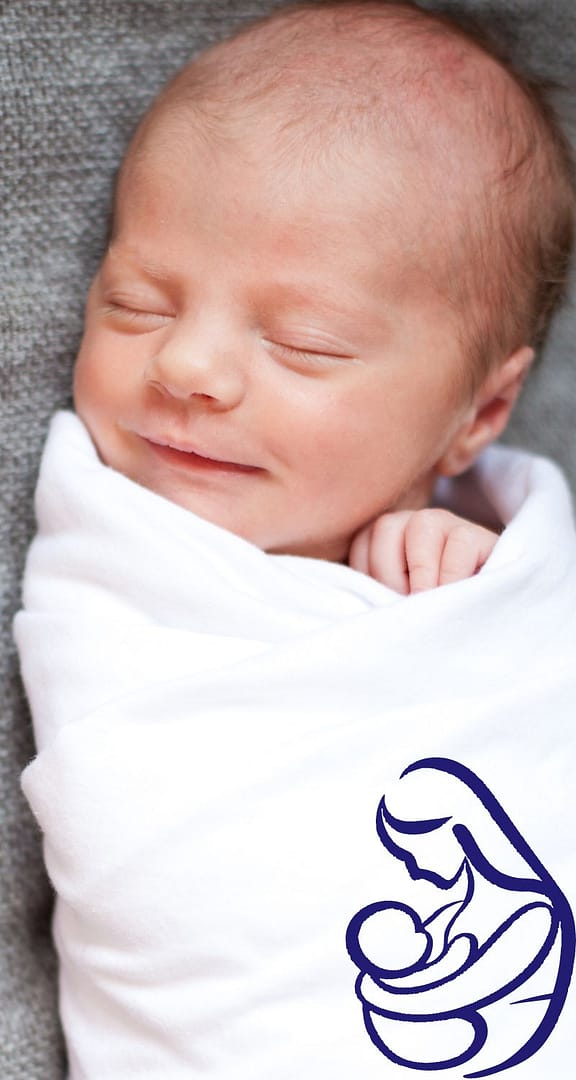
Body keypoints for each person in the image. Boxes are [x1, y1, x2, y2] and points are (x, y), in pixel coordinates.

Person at [14, 2, 576, 1077]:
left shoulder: (496, 563)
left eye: (304, 343)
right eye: (135, 304)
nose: (190, 370)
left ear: (481, 413)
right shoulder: (118, 560)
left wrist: (465, 590)